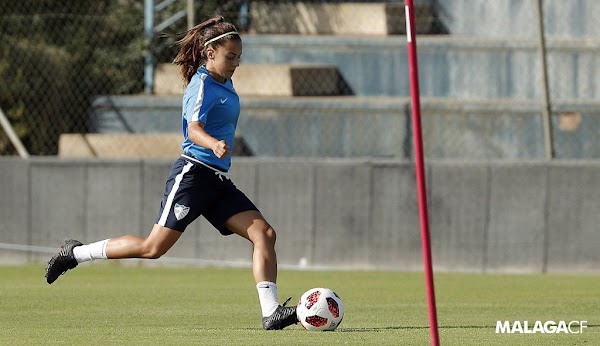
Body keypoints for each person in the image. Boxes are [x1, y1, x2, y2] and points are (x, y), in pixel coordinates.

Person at [45, 15, 298, 331]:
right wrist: (214, 143)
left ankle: (271, 312)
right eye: (230, 57)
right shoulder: (202, 85)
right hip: (193, 175)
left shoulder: (225, 82)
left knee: (264, 234)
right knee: (153, 248)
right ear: (210, 53)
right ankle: (77, 253)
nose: (235, 63)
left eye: (238, 57)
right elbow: (193, 129)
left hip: (217, 180)